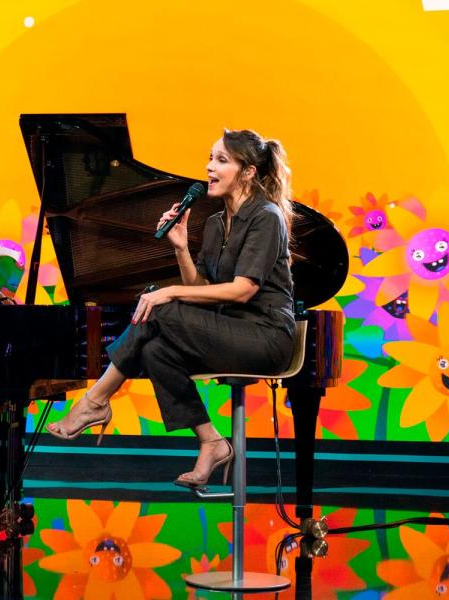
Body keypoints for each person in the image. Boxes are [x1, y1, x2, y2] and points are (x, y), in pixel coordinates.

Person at [46, 129, 296, 488]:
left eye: (221, 160)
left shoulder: (265, 216)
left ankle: (95, 400)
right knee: (153, 348)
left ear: (248, 172)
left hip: (267, 338)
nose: (209, 167)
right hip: (230, 331)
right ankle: (211, 440)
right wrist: (180, 248)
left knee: (159, 304)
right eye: (210, 158)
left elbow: (242, 291)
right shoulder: (214, 223)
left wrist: (168, 294)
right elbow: (203, 291)